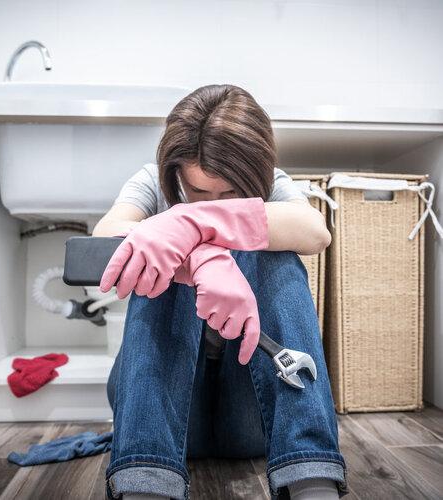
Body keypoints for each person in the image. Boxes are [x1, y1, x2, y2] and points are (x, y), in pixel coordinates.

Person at [93, 84, 349, 500]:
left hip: (249, 410)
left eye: (230, 194)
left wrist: (193, 225)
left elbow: (315, 232)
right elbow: (105, 240)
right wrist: (197, 257)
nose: (212, 202)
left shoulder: (273, 183)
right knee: (150, 247)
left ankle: (311, 480)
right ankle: (144, 484)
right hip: (159, 406)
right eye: (198, 193)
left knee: (275, 252)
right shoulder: (153, 184)